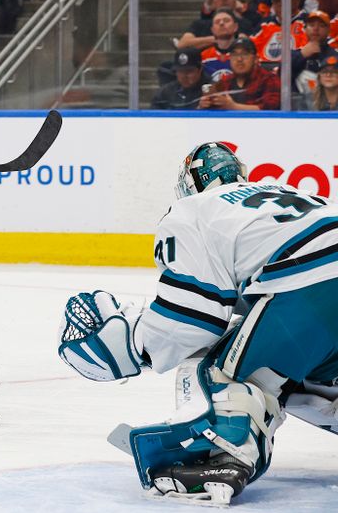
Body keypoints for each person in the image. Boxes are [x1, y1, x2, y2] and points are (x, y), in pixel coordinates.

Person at [57, 141, 338, 504]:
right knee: (305, 377)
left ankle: (227, 453)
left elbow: (190, 323)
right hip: (316, 277)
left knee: (219, 369)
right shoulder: (287, 193)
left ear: (189, 184)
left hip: (314, 284)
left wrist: (128, 346)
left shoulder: (194, 209)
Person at [200, 37, 280, 110]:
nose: (239, 59)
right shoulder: (224, 82)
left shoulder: (269, 79)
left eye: (245, 54)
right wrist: (204, 104)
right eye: (234, 54)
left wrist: (233, 107)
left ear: (256, 59)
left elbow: (271, 109)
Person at [177, 0, 256, 50]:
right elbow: (182, 44)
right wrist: (220, 39)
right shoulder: (200, 24)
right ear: (212, 2)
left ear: (235, 1)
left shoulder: (244, 24)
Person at [291, 10, 334, 93]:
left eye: (321, 26)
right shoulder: (293, 54)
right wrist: (301, 55)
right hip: (297, 103)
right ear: (305, 29)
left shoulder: (334, 56)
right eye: (311, 25)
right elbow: (282, 76)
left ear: (328, 30)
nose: (315, 29)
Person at [199, 8, 240, 82]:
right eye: (217, 22)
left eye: (226, 21)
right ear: (212, 30)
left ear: (235, 27)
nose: (221, 23)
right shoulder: (203, 57)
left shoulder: (245, 56)